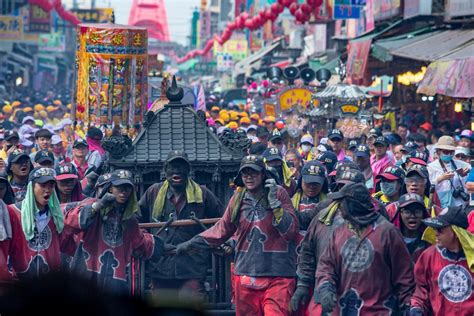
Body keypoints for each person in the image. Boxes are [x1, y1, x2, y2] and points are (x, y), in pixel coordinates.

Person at [176, 155, 298, 315]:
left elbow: (290, 231)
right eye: (245, 173)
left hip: (278, 273)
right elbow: (222, 228)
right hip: (246, 271)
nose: (249, 177)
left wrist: (275, 203)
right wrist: (193, 242)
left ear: (263, 174)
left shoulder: (278, 194)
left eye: (253, 172)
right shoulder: (238, 198)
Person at [316, 183, 414, 315]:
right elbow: (326, 265)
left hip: (379, 310)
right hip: (342, 310)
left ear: (353, 205)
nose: (339, 207)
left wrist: (407, 306)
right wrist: (325, 287)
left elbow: (404, 275)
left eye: (342, 202)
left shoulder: (387, 232)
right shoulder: (339, 231)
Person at [62, 169, 166, 294]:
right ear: (111, 188)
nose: (123, 191)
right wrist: (98, 206)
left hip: (114, 281)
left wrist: (163, 246)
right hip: (86, 274)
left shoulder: (129, 220)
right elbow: (70, 220)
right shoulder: (92, 205)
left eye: (127, 188)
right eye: (119, 187)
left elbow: (139, 242)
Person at [138, 150, 223, 301]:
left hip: (192, 266)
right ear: (165, 170)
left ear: (188, 170)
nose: (176, 170)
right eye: (172, 166)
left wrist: (203, 241)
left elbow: (222, 221)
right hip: (160, 266)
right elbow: (136, 219)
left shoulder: (202, 193)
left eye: (181, 166)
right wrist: (148, 241)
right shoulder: (153, 192)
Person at [290, 169, 366, 315]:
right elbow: (308, 251)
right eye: (341, 186)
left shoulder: (376, 217)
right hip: (326, 288)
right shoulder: (323, 214)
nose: (344, 192)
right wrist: (303, 285)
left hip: (364, 294)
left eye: (350, 187)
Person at [410, 205, 474, 315]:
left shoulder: (472, 258)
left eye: (440, 230)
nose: (436, 233)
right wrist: (417, 307)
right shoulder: (428, 256)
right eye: (435, 229)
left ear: (456, 232)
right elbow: (421, 288)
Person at [7, 167, 64, 279]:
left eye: (51, 186)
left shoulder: (57, 217)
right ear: (31, 187)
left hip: (49, 281)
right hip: (20, 282)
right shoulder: (13, 213)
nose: (47, 190)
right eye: (43, 185)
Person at [428, 135, 470, 209]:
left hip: (460, 205)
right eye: (446, 152)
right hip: (440, 205)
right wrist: (440, 179)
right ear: (438, 152)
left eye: (452, 152)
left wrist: (465, 175)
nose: (449, 155)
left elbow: (469, 184)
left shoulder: (463, 164)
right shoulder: (430, 167)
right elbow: (427, 187)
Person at [387, 193, 430, 262]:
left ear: (423, 214)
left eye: (417, 211)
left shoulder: (430, 240)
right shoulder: (390, 238)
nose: (412, 216)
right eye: (407, 212)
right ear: (400, 214)